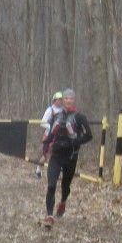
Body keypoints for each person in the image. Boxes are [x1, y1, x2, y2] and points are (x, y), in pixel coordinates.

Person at [42, 88, 92, 227]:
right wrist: (45, 146)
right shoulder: (57, 116)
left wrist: (74, 142)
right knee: (51, 184)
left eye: (70, 99)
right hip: (57, 154)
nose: (68, 101)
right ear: (63, 100)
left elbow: (89, 136)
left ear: (74, 100)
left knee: (65, 186)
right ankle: (49, 215)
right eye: (66, 99)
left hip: (70, 156)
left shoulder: (79, 117)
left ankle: (63, 202)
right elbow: (51, 133)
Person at [37, 91, 65, 177]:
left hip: (59, 136)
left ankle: (57, 173)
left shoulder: (63, 110)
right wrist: (51, 128)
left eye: (61, 99)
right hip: (49, 135)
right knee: (46, 155)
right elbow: (42, 123)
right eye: (58, 100)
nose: (60, 101)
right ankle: (38, 169)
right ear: (54, 100)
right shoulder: (50, 110)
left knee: (59, 154)